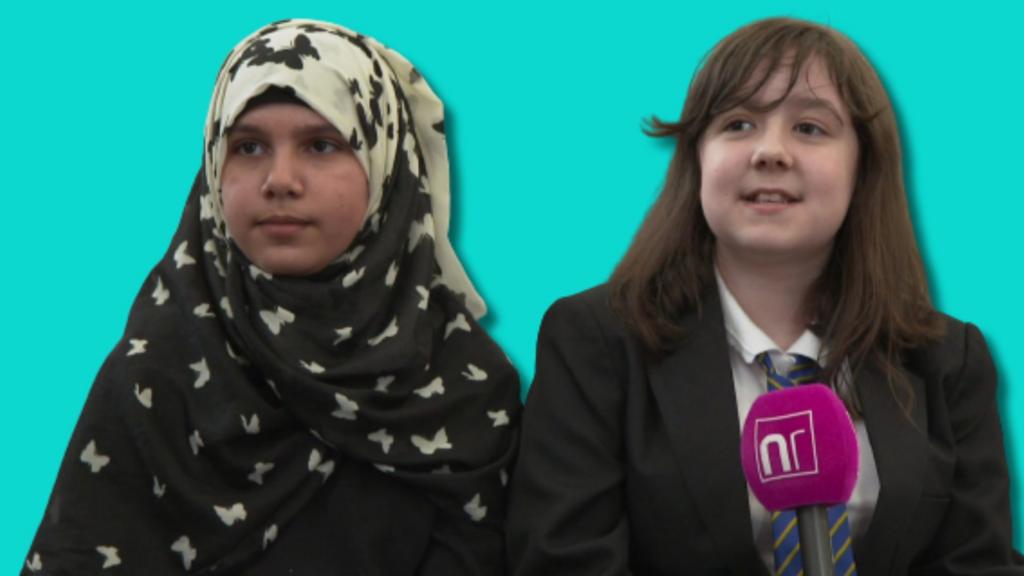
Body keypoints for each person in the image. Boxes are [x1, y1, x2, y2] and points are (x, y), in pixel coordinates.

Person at [506, 17, 1023, 575]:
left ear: (863, 167)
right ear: (696, 160)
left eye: (809, 128)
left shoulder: (947, 359)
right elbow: (564, 561)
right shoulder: (595, 342)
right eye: (738, 124)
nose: (770, 151)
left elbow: (978, 561)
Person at [24, 18, 519, 575]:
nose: (280, 179)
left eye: (322, 145)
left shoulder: (466, 387)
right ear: (214, 171)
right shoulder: (153, 376)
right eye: (249, 147)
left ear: (386, 167)